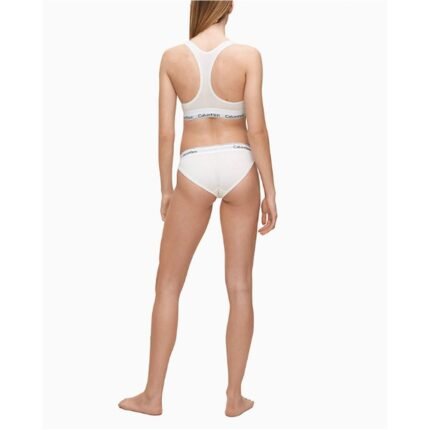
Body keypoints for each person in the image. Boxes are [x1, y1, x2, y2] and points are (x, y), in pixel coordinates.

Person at [118, 0, 277, 417]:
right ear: (229, 7)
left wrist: (166, 189)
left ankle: (152, 396)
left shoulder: (172, 58)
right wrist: (270, 190)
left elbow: (165, 133)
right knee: (239, 286)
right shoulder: (248, 56)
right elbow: (258, 129)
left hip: (194, 166)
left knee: (168, 285)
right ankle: (235, 397)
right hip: (240, 163)